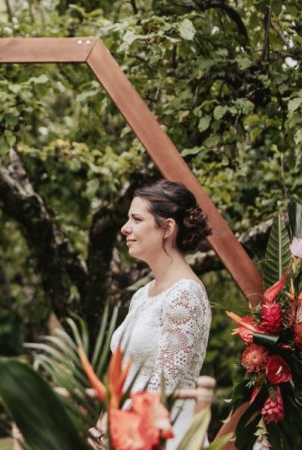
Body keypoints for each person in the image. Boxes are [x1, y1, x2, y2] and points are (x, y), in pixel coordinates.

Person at [110, 179, 212, 449]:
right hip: (127, 430)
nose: (125, 228)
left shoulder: (185, 295)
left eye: (136, 219)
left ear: (167, 228)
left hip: (166, 434)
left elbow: (165, 385)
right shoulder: (142, 295)